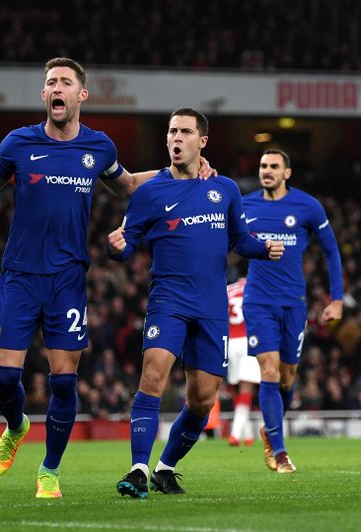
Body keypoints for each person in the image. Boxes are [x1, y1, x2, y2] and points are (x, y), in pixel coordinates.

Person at [0, 58, 211, 499]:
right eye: (50, 82)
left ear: (81, 96)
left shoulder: (99, 147)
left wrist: (184, 173)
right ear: (44, 95)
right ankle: (16, 425)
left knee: (62, 380)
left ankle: (49, 471)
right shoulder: (19, 142)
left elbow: (129, 185)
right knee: (3, 380)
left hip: (68, 278)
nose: (57, 88)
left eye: (65, 82)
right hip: (19, 275)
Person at [108, 108, 284, 498]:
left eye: (185, 131)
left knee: (203, 399)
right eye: (171, 131)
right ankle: (137, 468)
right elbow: (127, 242)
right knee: (153, 375)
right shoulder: (150, 192)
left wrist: (263, 248)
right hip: (168, 300)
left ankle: (165, 468)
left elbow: (239, 239)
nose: (176, 137)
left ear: (202, 142)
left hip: (211, 306)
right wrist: (115, 247)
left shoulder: (225, 191)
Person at [241, 149, 344, 473]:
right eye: (262, 166)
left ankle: (269, 430)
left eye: (273, 166)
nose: (266, 171)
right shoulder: (245, 205)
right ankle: (281, 450)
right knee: (269, 372)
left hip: (293, 304)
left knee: (287, 379)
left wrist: (337, 298)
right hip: (258, 301)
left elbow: (331, 251)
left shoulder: (307, 206)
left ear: (287, 172)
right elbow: (226, 242)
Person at [225, 277, 261, 447]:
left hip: (229, 342)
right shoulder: (254, 288)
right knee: (247, 388)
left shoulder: (227, 289)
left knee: (237, 388)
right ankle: (235, 434)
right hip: (246, 341)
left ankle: (247, 436)